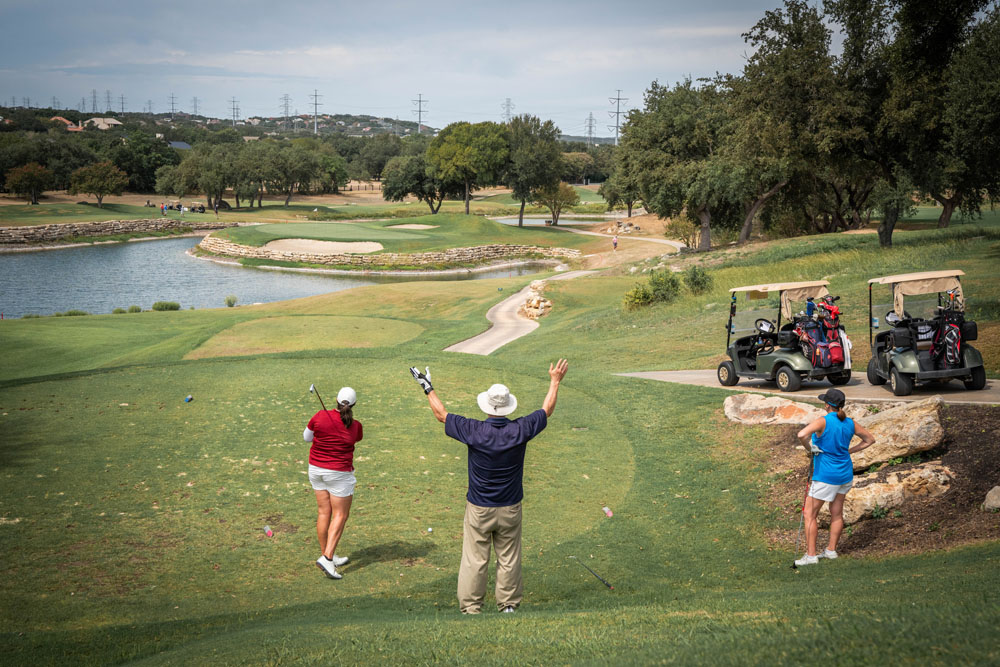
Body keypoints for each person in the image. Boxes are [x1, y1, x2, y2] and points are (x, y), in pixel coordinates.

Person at [410, 359, 569, 614]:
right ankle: (508, 607)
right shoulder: (520, 429)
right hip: (510, 508)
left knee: (475, 560)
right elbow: (546, 410)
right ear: (507, 407)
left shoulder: (474, 430)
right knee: (509, 559)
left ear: (487, 407)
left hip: (479, 509)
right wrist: (554, 381)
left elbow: (442, 415)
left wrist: (427, 387)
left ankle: (472, 608)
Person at [794, 388, 876, 566]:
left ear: (826, 405)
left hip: (826, 476)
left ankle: (811, 555)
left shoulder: (823, 421)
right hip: (845, 475)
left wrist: (810, 448)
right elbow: (870, 439)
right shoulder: (849, 422)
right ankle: (831, 551)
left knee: (809, 513)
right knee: (836, 513)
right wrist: (849, 450)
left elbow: (801, 435)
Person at [304, 387, 363, 580]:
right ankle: (328, 557)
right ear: (353, 405)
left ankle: (326, 555)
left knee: (324, 512)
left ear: (336, 400)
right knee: (340, 514)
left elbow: (307, 438)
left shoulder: (320, 416)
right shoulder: (355, 426)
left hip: (316, 470)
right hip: (339, 474)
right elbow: (356, 437)